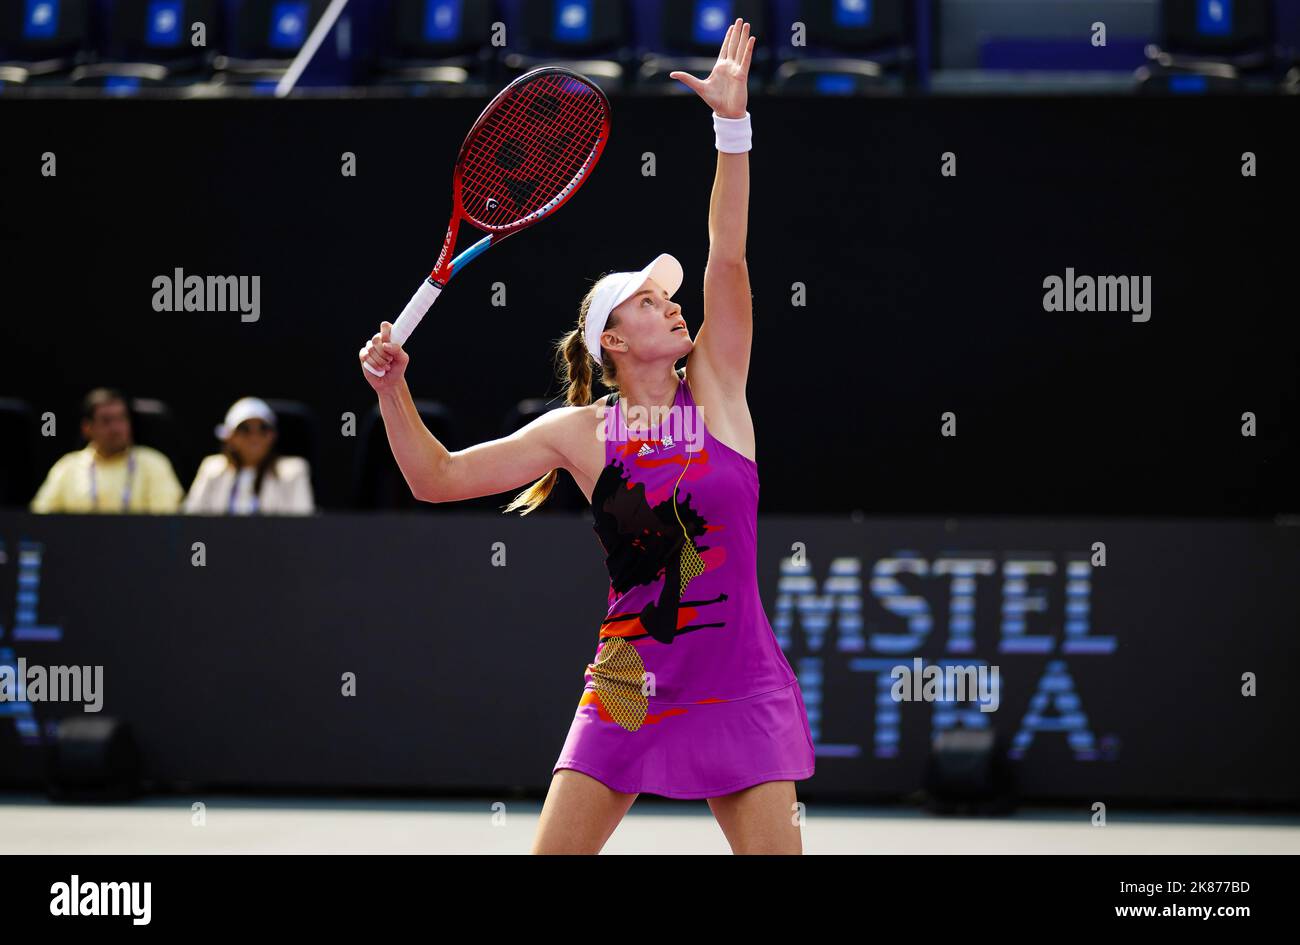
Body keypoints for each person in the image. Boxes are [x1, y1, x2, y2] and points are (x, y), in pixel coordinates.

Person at [358, 20, 810, 853]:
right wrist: (393, 391)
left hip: (739, 680)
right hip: (630, 680)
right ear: (612, 339)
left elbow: (728, 259)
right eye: (647, 301)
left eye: (667, 298)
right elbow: (438, 478)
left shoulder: (717, 390)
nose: (672, 306)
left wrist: (731, 128)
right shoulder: (581, 432)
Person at [30, 388, 184, 514]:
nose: (116, 428)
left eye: (121, 419)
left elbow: (165, 523)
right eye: (106, 421)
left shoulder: (154, 463)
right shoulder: (67, 467)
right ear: (87, 429)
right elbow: (41, 518)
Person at [182, 397, 314, 515]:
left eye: (263, 429)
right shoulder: (211, 469)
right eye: (244, 429)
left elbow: (301, 526)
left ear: (273, 436)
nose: (254, 437)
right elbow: (192, 519)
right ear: (230, 437)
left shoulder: (294, 471)